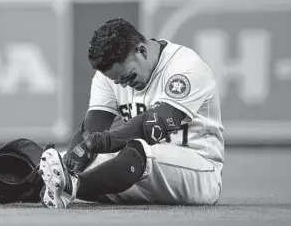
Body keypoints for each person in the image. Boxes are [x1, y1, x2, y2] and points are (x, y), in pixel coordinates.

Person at [39, 18, 224, 208]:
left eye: (127, 77)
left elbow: (153, 126)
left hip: (197, 172)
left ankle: (74, 188)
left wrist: (96, 143)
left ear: (142, 51)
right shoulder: (110, 77)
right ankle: (21, 189)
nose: (124, 84)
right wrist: (72, 159)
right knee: (56, 165)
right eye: (118, 81)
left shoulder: (186, 67)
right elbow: (92, 128)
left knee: (140, 148)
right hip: (132, 173)